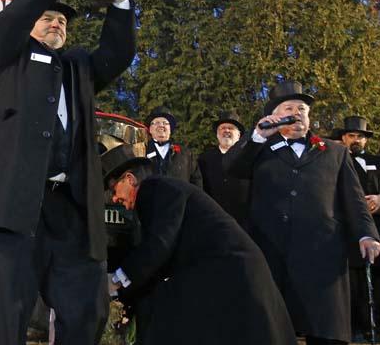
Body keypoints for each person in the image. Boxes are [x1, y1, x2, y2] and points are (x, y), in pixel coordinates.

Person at [0, 0, 136, 345]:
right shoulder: (7, 59)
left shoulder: (79, 68)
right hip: (13, 207)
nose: (56, 24)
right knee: (5, 315)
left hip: (70, 210)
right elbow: (11, 20)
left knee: (84, 309)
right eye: (48, 19)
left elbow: (119, 51)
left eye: (63, 22)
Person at [224, 81, 380, 345]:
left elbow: (354, 200)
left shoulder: (335, 152)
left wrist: (367, 234)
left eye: (302, 108)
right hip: (273, 253)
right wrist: (259, 136)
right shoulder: (259, 149)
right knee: (272, 329)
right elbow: (235, 170)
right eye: (289, 108)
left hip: (323, 256)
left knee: (325, 329)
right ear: (274, 115)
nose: (297, 113)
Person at [103, 144, 297, 345]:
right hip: (224, 271)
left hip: (230, 271)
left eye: (114, 189)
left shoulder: (155, 188)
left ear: (129, 179)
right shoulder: (161, 190)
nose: (116, 198)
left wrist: (117, 280)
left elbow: (159, 244)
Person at [337, 115, 380, 341]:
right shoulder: (334, 160)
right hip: (348, 231)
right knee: (352, 282)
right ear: (343, 138)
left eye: (360, 137)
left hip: (377, 229)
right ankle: (353, 327)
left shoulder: (377, 161)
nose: (356, 140)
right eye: (351, 135)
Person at [197, 110, 251, 227]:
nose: (226, 131)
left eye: (231, 128)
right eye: (222, 128)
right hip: (213, 222)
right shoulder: (204, 159)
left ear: (239, 135)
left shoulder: (249, 158)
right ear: (217, 134)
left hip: (244, 223)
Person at [144, 106, 202, 187]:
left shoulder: (186, 154)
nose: (161, 125)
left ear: (170, 129)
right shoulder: (141, 151)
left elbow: (196, 182)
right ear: (150, 129)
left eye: (165, 123)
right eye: (157, 122)